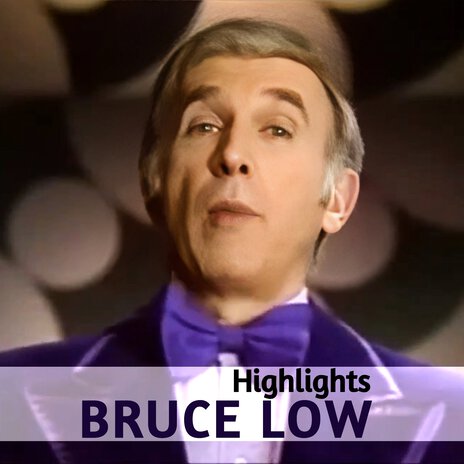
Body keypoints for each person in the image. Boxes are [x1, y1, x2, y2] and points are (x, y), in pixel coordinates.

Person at [0, 18, 462, 464]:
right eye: (203, 126)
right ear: (153, 184)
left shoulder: (450, 415)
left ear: (338, 200)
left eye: (277, 129)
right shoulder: (11, 397)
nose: (233, 154)